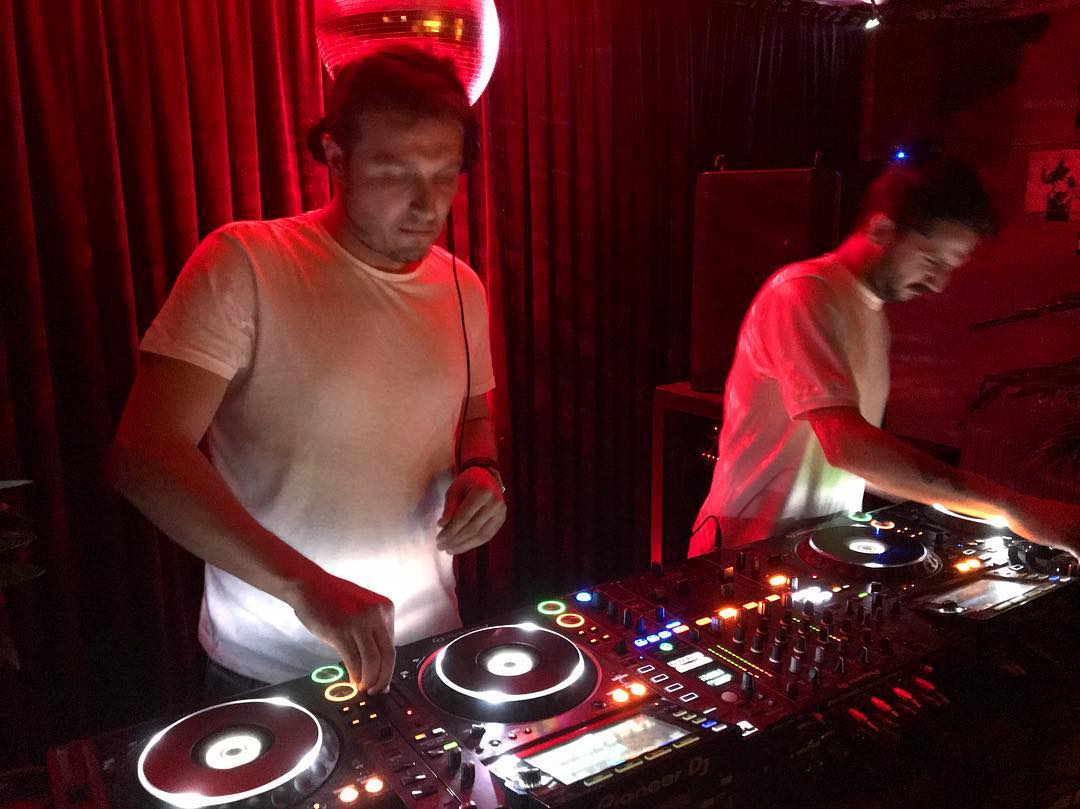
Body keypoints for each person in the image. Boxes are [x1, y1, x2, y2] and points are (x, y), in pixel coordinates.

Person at [108, 46, 506, 699]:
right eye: (395, 174)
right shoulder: (245, 262)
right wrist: (304, 585)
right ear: (336, 159)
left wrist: (482, 470)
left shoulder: (462, 286)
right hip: (269, 665)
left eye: (445, 175)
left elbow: (475, 415)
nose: (426, 205)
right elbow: (143, 455)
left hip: (430, 646)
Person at [691, 155, 1080, 557]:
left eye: (950, 267)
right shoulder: (802, 292)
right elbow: (848, 447)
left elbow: (860, 465)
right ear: (881, 229)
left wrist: (970, 513)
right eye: (931, 261)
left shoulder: (872, 314)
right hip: (747, 547)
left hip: (816, 544)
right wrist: (1012, 506)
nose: (939, 284)